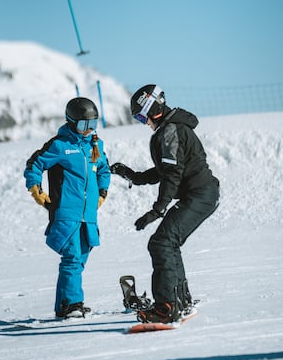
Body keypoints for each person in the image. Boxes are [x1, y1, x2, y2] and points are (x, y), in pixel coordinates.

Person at [111, 84, 219, 324]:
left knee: (161, 243)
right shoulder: (170, 128)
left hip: (200, 194)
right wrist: (134, 176)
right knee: (168, 243)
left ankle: (166, 308)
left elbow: (171, 174)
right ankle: (181, 301)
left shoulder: (169, 131)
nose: (142, 122)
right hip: (202, 193)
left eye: (141, 116)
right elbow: (165, 169)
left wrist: (157, 210)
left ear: (154, 110)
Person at [24, 97, 111, 319]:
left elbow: (104, 170)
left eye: (93, 124)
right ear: (72, 122)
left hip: (88, 215)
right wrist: (36, 190)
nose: (89, 129)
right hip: (66, 212)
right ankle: (73, 303)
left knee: (80, 258)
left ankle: (64, 305)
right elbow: (35, 164)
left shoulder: (95, 145)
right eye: (84, 125)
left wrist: (102, 192)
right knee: (72, 258)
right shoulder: (60, 145)